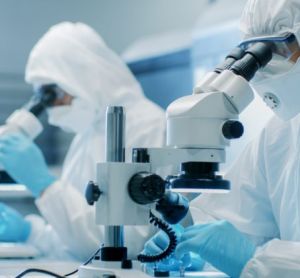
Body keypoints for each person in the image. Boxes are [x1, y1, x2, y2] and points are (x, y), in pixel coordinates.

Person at [144, 0, 300, 277]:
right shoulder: (280, 133)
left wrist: (254, 259)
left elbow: (243, 251)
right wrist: (189, 240)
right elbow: (238, 217)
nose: (265, 68)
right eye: (257, 52)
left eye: (281, 49)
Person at [0, 22, 166, 260]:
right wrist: (29, 232)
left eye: (52, 94)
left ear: (84, 76)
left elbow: (127, 244)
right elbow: (72, 243)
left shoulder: (149, 128)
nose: (50, 107)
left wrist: (47, 186)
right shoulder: (87, 136)